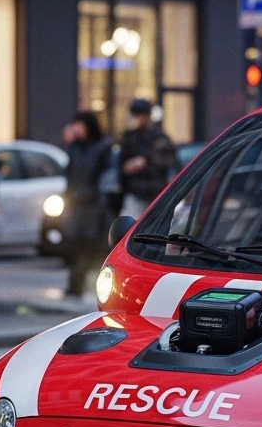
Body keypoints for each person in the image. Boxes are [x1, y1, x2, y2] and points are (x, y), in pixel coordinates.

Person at [62, 111, 114, 298]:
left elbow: (106, 177)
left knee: (90, 246)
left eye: (79, 125)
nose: (76, 129)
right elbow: (70, 174)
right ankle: (76, 283)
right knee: (75, 244)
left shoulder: (102, 147)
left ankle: (79, 284)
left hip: (93, 205)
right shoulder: (75, 147)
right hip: (76, 204)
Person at [119, 98, 176, 219]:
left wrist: (145, 162)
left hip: (156, 193)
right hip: (135, 192)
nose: (140, 118)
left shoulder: (160, 138)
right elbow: (121, 165)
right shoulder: (129, 137)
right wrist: (127, 168)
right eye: (137, 115)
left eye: (142, 115)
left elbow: (169, 162)